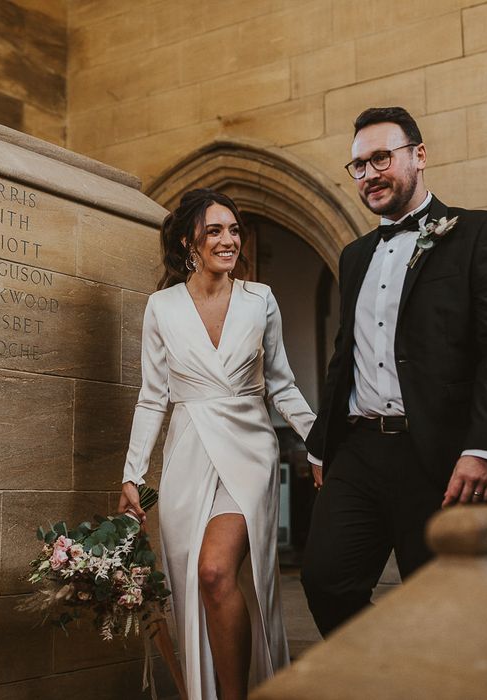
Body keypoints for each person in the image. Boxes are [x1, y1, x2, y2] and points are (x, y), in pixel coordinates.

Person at [302, 106, 487, 637]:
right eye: (358, 165)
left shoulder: (481, 234)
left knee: (442, 603)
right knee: (326, 582)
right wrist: (322, 443)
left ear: (419, 156)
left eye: (380, 158)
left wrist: (483, 447)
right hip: (358, 450)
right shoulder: (353, 256)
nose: (369, 173)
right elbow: (345, 353)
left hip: (437, 454)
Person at [118, 189, 315, 700]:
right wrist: (132, 474)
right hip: (187, 452)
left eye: (233, 230)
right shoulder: (162, 307)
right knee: (196, 582)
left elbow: (283, 384)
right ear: (190, 241)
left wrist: (321, 440)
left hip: (249, 450)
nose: (229, 240)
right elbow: (152, 397)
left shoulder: (260, 299)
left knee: (214, 568)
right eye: (215, 231)